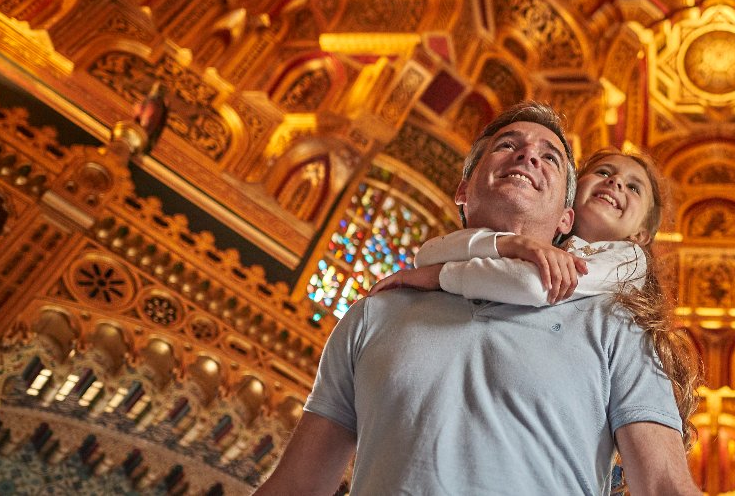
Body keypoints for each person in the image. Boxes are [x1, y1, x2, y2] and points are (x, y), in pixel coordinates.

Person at [254, 103, 700, 496]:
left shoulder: (617, 323)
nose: (528, 155)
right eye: (508, 145)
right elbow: (297, 485)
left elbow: (663, 484)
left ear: (566, 219)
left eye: (550, 157)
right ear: (463, 189)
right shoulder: (377, 311)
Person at [369, 148, 702, 448]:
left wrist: (439, 276)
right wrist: (511, 244)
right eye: (603, 172)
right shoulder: (539, 241)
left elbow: (533, 284)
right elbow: (431, 251)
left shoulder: (629, 260)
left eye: (633, 187)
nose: (615, 182)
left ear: (641, 234)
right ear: (568, 201)